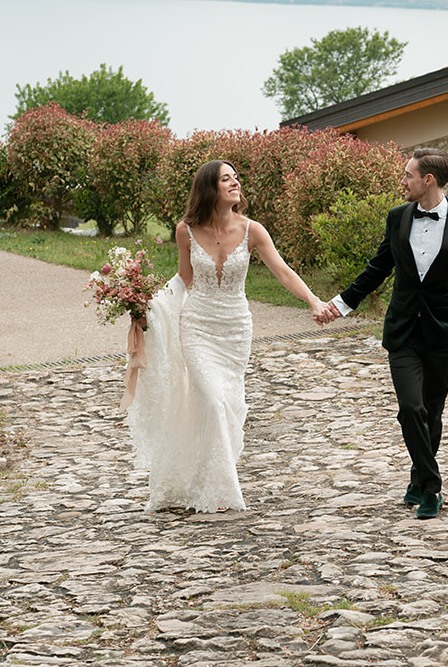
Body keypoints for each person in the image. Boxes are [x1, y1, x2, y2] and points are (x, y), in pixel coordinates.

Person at [126, 159, 328, 512]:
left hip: (235, 329)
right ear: (209, 188)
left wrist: (312, 299)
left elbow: (281, 271)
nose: (236, 183)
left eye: (236, 177)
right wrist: (146, 303)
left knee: (228, 403)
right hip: (198, 325)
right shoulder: (185, 230)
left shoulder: (253, 230)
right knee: (213, 399)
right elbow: (184, 279)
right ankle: (220, 492)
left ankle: (206, 479)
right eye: (226, 179)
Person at [314, 147, 448, 518]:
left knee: (432, 411)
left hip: (446, 334)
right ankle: (432, 486)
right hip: (403, 330)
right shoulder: (398, 218)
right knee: (411, 408)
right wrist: (339, 306)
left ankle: (416, 480)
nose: (403, 181)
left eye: (408, 175)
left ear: (428, 180)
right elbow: (376, 269)